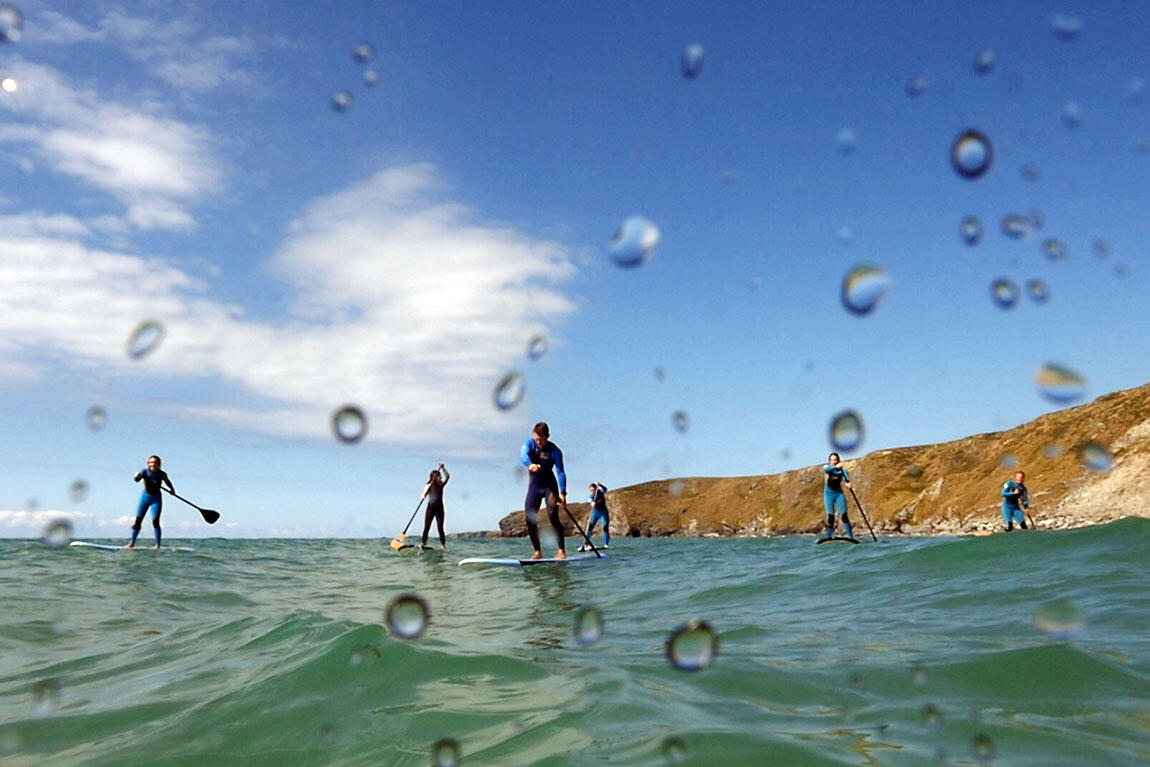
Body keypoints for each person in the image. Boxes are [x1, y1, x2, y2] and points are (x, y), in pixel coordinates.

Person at [521, 422, 567, 560]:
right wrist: (530, 465)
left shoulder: (555, 451)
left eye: (540, 439)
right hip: (535, 485)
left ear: (547, 436)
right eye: (536, 438)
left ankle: (561, 551)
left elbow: (560, 472)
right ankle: (537, 552)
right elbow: (523, 455)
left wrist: (563, 493)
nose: (538, 441)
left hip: (549, 486)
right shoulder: (529, 444)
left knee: (553, 516)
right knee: (530, 520)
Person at [127, 455, 174, 550]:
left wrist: (172, 489)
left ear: (159, 464)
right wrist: (137, 476)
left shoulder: (162, 474)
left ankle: (158, 545)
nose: (153, 464)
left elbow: (167, 481)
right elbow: (136, 480)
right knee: (137, 522)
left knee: (155, 521)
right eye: (151, 462)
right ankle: (132, 543)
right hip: (145, 498)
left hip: (156, 499)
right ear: (148, 464)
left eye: (155, 463)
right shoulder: (144, 471)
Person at [820, 452, 854, 540]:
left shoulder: (843, 470)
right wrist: (835, 467)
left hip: (839, 494)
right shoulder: (827, 468)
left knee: (844, 516)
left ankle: (851, 537)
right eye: (832, 460)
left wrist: (848, 484)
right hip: (828, 496)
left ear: (838, 460)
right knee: (831, 517)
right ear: (829, 461)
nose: (833, 461)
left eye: (835, 460)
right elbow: (828, 470)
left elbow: (847, 480)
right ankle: (829, 536)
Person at [420, 463, 450, 549]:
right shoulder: (429, 485)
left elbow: (447, 476)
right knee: (427, 526)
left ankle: (443, 545)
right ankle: (423, 544)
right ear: (433, 477)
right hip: (431, 508)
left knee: (440, 527)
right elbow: (423, 494)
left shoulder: (441, 484)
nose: (440, 477)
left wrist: (443, 468)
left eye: (440, 476)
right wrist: (423, 495)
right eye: (438, 476)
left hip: (439, 508)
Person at [582, 482, 610, 550]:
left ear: (596, 489)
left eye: (593, 490)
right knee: (590, 527)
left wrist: (601, 485)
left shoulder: (600, 492)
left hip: (603, 512)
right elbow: (590, 500)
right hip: (596, 513)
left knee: (605, 527)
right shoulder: (591, 496)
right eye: (591, 490)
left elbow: (605, 489)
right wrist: (592, 503)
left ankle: (606, 544)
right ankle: (586, 543)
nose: (592, 492)